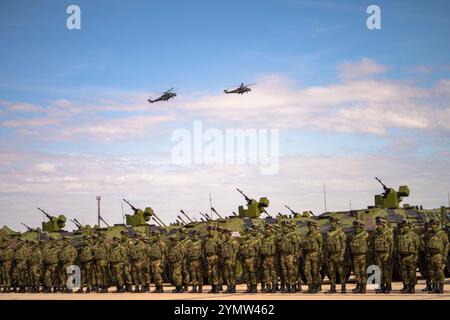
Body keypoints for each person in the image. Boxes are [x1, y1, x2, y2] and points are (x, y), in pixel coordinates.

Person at [325, 217, 347, 294]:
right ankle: (332, 288)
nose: (332, 224)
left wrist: (341, 256)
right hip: (331, 255)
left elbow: (344, 246)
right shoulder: (328, 233)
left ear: (337, 223)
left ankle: (343, 287)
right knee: (331, 272)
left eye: (334, 222)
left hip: (338, 255)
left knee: (341, 272)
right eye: (331, 222)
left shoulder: (341, 233)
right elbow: (326, 245)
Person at [426, 219, 449, 294]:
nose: (432, 226)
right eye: (431, 224)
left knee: (439, 271)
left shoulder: (442, 234)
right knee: (432, 272)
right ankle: (435, 287)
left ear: (437, 225)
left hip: (439, 255)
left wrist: (445, 255)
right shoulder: (430, 234)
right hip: (431, 255)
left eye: (434, 224)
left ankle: (441, 287)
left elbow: (447, 244)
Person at [397, 221, 420, 294]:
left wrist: (416, 257)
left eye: (403, 227)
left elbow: (417, 248)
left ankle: (412, 287)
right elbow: (397, 247)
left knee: (411, 272)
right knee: (404, 273)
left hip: (411, 256)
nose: (402, 228)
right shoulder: (400, 236)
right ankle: (406, 286)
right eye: (401, 227)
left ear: (408, 227)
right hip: (402, 256)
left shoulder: (414, 236)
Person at [373, 217, 394, 294]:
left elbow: (391, 245)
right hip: (378, 254)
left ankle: (388, 286)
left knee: (386, 271)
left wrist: (390, 255)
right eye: (377, 224)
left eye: (379, 225)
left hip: (386, 254)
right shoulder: (376, 233)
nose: (378, 226)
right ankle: (381, 287)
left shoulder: (388, 232)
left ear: (383, 225)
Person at [303, 220, 323, 294]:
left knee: (315, 271)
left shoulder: (318, 235)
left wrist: (320, 256)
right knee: (306, 270)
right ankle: (310, 285)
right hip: (308, 254)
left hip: (316, 254)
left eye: (311, 226)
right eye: (309, 226)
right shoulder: (308, 234)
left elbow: (321, 246)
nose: (309, 227)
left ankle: (316, 286)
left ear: (314, 226)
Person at [349, 220, 368, 294]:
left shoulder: (365, 234)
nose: (356, 229)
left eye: (357, 227)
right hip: (355, 256)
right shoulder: (353, 235)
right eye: (355, 227)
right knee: (356, 272)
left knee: (363, 272)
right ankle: (358, 286)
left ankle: (363, 287)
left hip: (363, 256)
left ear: (361, 227)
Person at [240, 228, 260, 293]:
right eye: (247, 233)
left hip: (252, 259)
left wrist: (256, 260)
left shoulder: (255, 241)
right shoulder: (245, 242)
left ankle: (254, 288)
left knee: (253, 274)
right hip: (246, 259)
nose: (247, 234)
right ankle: (248, 287)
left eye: (249, 233)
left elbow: (257, 251)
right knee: (247, 274)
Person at [220, 229, 239, 293]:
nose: (225, 235)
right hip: (225, 260)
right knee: (226, 274)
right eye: (224, 234)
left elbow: (236, 251)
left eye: (226, 234)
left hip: (231, 259)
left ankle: (233, 288)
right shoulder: (225, 242)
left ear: (229, 234)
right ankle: (228, 287)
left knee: (232, 274)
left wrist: (234, 260)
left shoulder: (233, 241)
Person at [260, 224, 278, 293]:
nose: (267, 231)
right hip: (265, 258)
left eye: (268, 229)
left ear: (271, 230)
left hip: (272, 258)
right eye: (266, 229)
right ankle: (268, 286)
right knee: (266, 273)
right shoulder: (264, 238)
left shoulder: (274, 238)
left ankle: (274, 287)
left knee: (273, 272)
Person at [202, 225, 220, 293]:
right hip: (208, 257)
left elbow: (220, 247)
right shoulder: (205, 238)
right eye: (209, 230)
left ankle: (216, 288)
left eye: (212, 230)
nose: (211, 232)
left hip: (214, 256)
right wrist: (204, 257)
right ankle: (212, 287)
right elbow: (202, 248)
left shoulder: (216, 238)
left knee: (215, 272)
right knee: (209, 273)